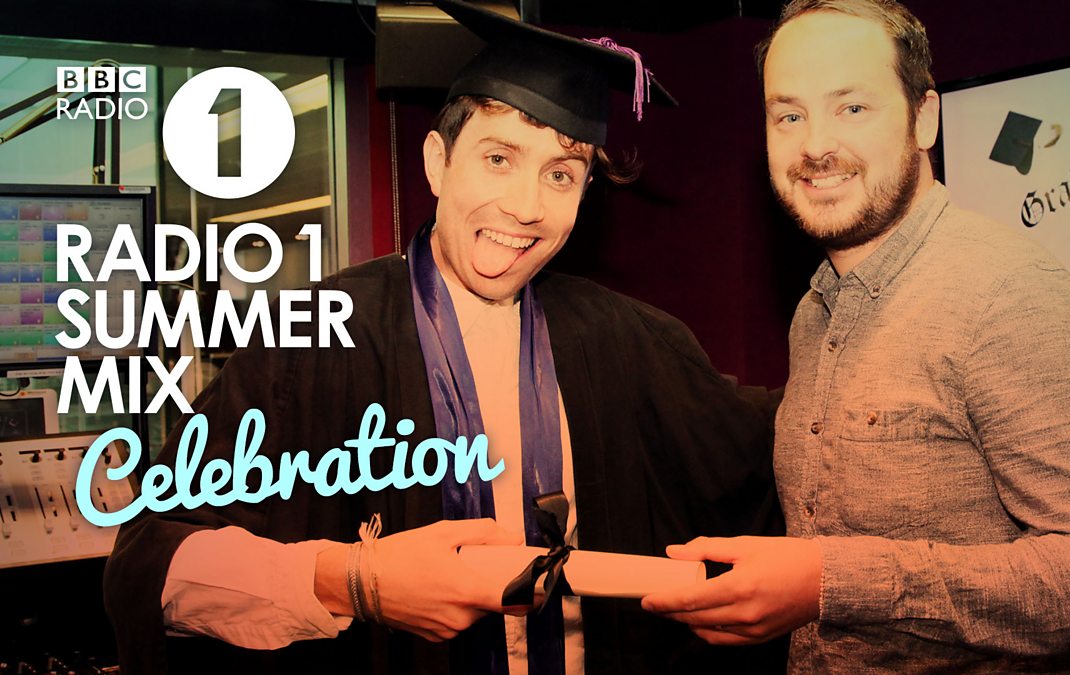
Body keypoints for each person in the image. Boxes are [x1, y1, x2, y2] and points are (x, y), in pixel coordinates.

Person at [103, 2, 783, 673]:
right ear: (436, 162)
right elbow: (152, 565)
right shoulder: (311, 338)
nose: (526, 206)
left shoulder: (630, 341)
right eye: (499, 157)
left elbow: (784, 458)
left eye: (560, 174)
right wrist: (354, 580)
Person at [642, 0, 1070, 672]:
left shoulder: (1010, 294)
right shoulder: (815, 311)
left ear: (925, 118)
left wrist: (830, 582)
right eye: (789, 116)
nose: (815, 145)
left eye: (852, 107)